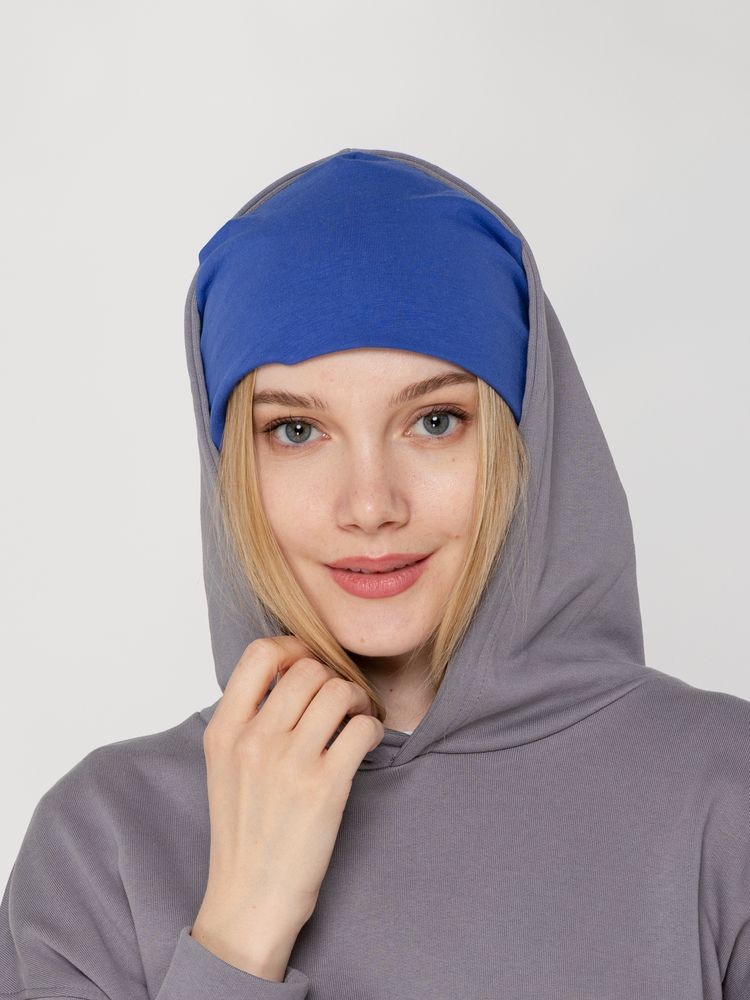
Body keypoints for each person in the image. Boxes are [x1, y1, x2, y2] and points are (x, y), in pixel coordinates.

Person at [1, 147, 749, 999]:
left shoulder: (723, 793)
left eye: (434, 421)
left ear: (525, 438)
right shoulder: (103, 844)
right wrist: (240, 929)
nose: (369, 504)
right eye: (295, 431)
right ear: (231, 469)